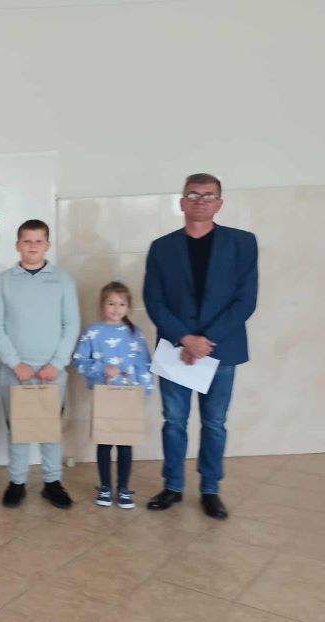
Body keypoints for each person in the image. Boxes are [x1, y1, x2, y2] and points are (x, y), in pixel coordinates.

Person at [143, 173, 259, 520]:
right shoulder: (162, 247)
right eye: (193, 195)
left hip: (220, 350)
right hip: (175, 349)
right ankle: (173, 486)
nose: (201, 201)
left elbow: (245, 300)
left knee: (215, 423)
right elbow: (154, 300)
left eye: (209, 196)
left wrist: (205, 340)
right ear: (182, 202)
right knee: (174, 422)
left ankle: (210, 489)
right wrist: (185, 338)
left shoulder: (242, 243)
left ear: (219, 203)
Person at [0, 219, 80, 509]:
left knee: (49, 429)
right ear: (17, 245)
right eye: (26, 241)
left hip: (52, 372)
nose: (32, 246)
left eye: (38, 241)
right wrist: (15, 363)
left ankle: (52, 482)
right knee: (18, 430)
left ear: (47, 245)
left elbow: (71, 324)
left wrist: (57, 363)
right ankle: (17, 482)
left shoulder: (63, 280)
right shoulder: (4, 281)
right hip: (15, 372)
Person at [73, 281, 153, 509]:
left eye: (121, 304)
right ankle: (105, 486)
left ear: (128, 307)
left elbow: (144, 363)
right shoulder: (93, 332)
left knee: (126, 443)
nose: (116, 308)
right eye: (111, 303)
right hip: (104, 395)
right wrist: (102, 368)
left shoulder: (135, 333)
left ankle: (124, 488)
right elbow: (79, 361)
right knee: (105, 441)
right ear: (102, 305)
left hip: (129, 395)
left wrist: (144, 389)